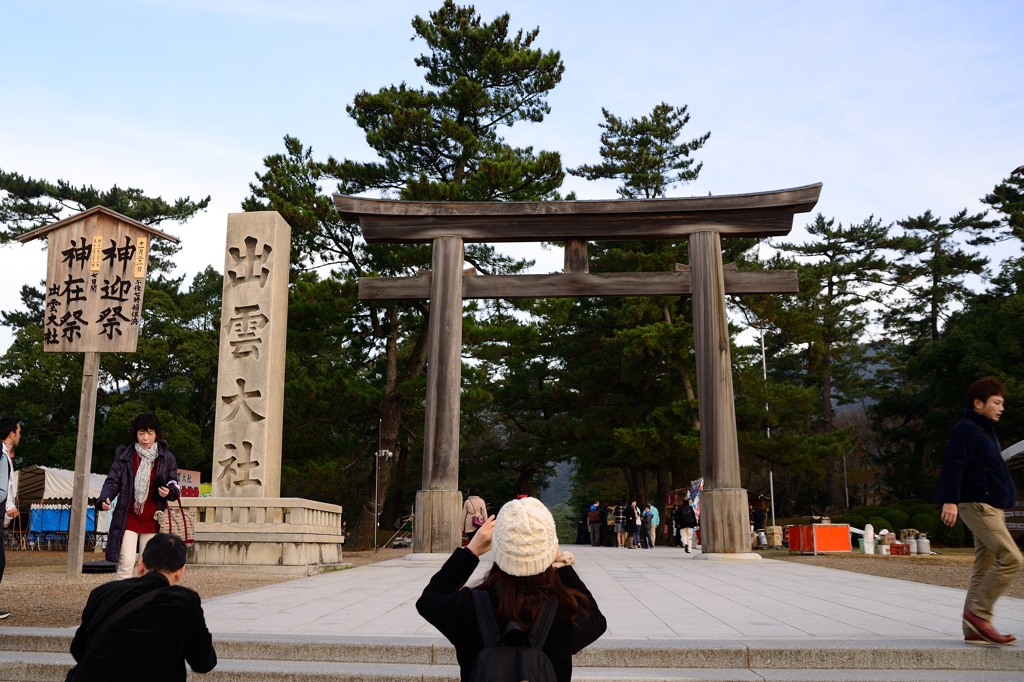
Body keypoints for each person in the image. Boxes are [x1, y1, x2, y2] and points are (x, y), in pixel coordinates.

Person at [416, 497, 606, 682]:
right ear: (549, 550)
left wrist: (470, 551)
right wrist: (562, 563)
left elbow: (428, 599)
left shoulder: (467, 605)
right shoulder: (566, 613)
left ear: (498, 548)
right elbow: (597, 618)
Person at [940, 378, 1023, 646]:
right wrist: (950, 500)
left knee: (984, 566)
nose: (1001, 408)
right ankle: (980, 614)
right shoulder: (966, 429)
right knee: (1012, 558)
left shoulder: (986, 432)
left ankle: (972, 629)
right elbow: (953, 466)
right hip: (978, 505)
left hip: (991, 507)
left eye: (1002, 403)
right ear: (979, 403)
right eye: (996, 403)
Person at [68, 533, 217, 681]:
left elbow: (78, 649)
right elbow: (204, 663)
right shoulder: (185, 601)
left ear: (141, 563)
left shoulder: (102, 593)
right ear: (180, 571)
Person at [98, 414, 180, 580]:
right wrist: (104, 498)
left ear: (157, 434)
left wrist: (169, 491)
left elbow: (174, 482)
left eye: (150, 433)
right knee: (126, 562)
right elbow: (113, 481)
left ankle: (144, 602)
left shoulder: (166, 457)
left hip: (154, 518)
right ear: (135, 434)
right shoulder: (125, 457)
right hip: (128, 516)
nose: (145, 437)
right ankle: (121, 602)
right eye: (141, 432)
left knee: (148, 566)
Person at [0, 417, 21, 620]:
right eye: (19, 432)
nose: (20, 435)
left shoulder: (5, 454)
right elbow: (2, 485)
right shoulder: (1, 454)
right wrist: (9, 506)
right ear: (11, 434)